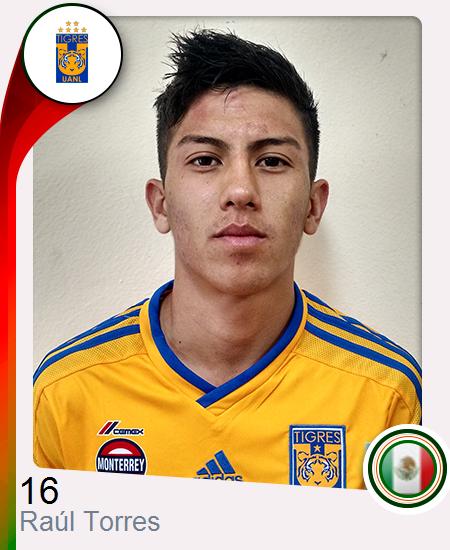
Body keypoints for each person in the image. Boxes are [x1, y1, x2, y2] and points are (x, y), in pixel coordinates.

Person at [33, 30, 421, 488]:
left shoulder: (387, 396)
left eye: (272, 161)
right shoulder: (64, 393)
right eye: (205, 160)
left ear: (313, 206)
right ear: (161, 204)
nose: (240, 190)